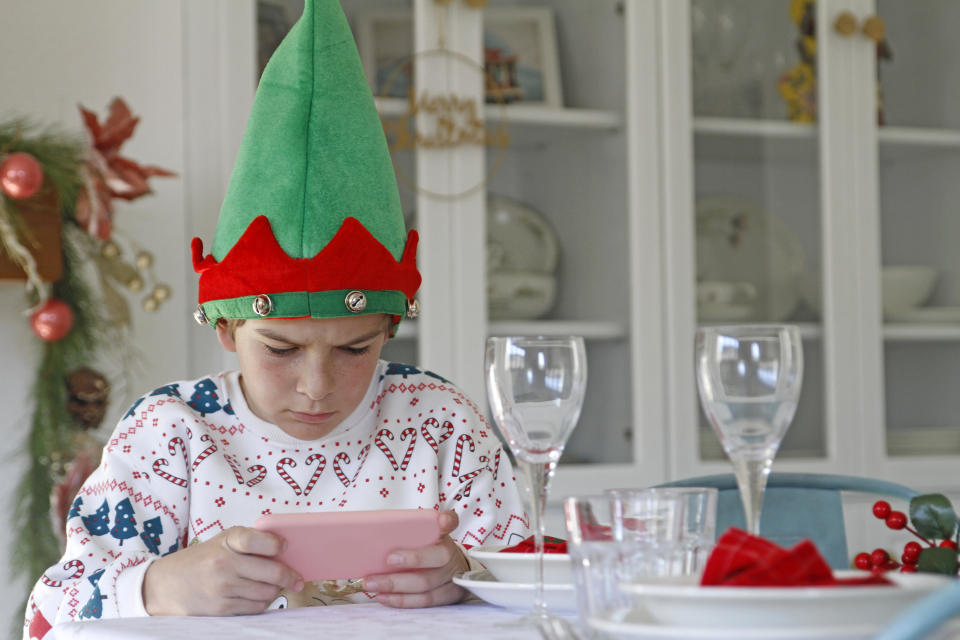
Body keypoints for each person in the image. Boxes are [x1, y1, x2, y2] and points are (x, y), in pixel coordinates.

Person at [23, 0, 528, 636]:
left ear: (390, 330)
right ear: (228, 329)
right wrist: (159, 585)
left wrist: (467, 577)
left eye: (353, 349)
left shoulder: (440, 426)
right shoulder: (171, 436)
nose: (316, 386)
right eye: (282, 349)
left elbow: (541, 588)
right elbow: (50, 609)